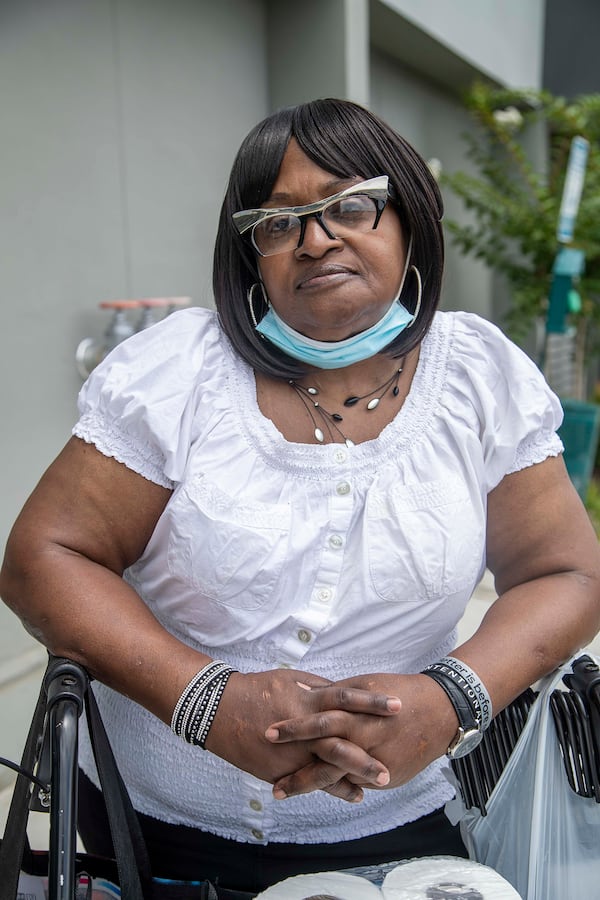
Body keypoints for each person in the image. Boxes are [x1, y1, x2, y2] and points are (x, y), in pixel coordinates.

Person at [2, 97, 600, 896]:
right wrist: (206, 703)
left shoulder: (480, 379)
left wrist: (451, 699)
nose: (316, 238)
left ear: (409, 215)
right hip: (151, 836)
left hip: (404, 824)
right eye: (279, 223)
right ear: (250, 254)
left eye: (351, 205)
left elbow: (567, 575)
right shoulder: (179, 375)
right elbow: (45, 556)